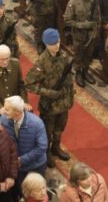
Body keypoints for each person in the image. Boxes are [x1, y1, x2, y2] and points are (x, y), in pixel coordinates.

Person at [26, 28, 74, 168]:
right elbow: (29, 84)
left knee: (60, 128)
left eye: (58, 42)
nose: (57, 45)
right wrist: (48, 92)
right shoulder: (41, 62)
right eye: (53, 44)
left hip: (63, 102)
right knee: (47, 132)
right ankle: (46, 153)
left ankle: (56, 148)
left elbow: (68, 77)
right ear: (46, 44)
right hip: (50, 105)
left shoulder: (64, 56)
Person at [0, 96, 48, 189]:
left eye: (7, 109)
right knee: (22, 191)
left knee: (36, 190)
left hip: (35, 166)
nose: (3, 111)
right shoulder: (3, 119)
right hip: (17, 167)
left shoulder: (37, 123)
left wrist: (22, 160)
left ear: (17, 112)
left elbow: (41, 147)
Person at [63, 0, 101, 87]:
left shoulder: (93, 0)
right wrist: (83, 25)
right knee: (79, 55)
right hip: (79, 35)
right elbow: (67, 20)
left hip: (91, 34)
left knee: (88, 55)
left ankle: (85, 71)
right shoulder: (73, 2)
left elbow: (98, 17)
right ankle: (78, 73)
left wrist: (96, 31)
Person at [0, 45, 30, 115]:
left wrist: (24, 102)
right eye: (2, 59)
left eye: (7, 58)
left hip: (16, 105)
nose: (5, 62)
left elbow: (21, 85)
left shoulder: (16, 64)